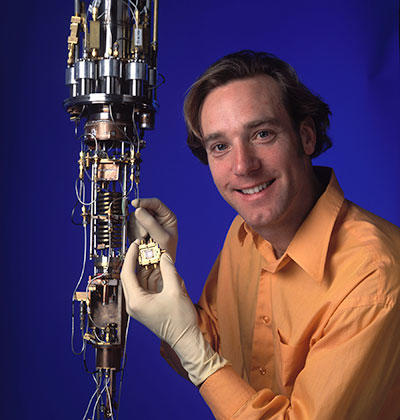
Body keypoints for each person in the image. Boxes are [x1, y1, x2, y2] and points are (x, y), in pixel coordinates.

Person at [120, 50, 400, 419]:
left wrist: (193, 348)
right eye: (220, 146)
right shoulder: (244, 233)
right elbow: (212, 358)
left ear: (306, 137)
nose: (243, 166)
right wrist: (159, 273)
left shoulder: (373, 276)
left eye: (262, 134)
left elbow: (202, 360)